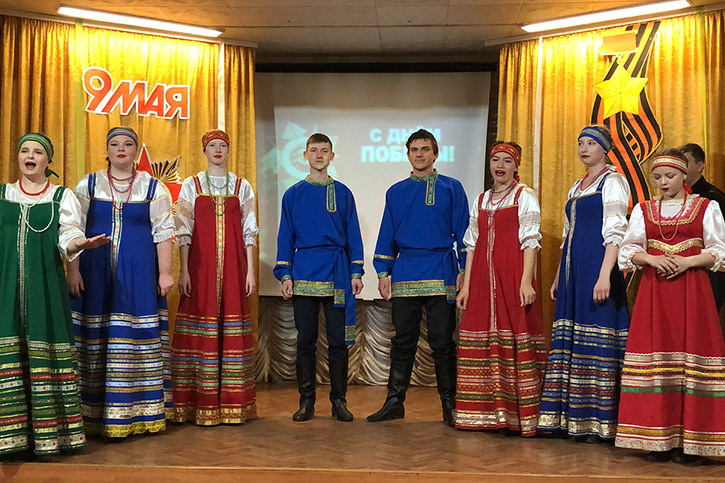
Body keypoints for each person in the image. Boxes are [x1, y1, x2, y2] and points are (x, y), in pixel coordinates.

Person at [0, 133, 109, 455]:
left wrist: (80, 244)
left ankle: (49, 436)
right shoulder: (3, 195)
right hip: (5, 287)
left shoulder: (61, 197)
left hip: (45, 287)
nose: (29, 156)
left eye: (37, 152)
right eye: (24, 151)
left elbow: (69, 236)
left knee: (44, 349)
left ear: (47, 160)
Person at [615, 150, 725, 463]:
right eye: (658, 177)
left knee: (691, 356)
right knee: (657, 358)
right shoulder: (644, 209)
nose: (664, 182)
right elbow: (629, 250)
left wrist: (688, 261)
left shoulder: (706, 207)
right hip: (656, 292)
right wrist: (651, 259)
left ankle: (694, 442)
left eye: (670, 176)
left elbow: (719, 250)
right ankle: (658, 438)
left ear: (684, 175)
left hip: (692, 290)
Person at [68, 127, 175, 438]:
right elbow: (73, 229)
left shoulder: (153, 187)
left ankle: (140, 412)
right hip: (95, 273)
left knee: (135, 336)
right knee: (95, 338)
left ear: (136, 151)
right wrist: (73, 271)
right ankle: (91, 413)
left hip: (139, 274)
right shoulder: (89, 184)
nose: (121, 148)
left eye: (128, 144)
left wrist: (165, 272)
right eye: (114, 144)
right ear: (107, 150)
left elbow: (164, 232)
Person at [368, 129, 468, 426]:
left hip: (441, 270)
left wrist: (464, 270)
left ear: (435, 154)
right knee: (402, 342)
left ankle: (449, 405)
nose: (420, 154)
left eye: (425, 149)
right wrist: (383, 271)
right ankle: (394, 403)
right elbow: (387, 231)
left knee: (442, 343)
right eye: (414, 149)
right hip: (405, 272)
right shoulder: (395, 191)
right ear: (408, 154)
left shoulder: (452, 187)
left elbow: (464, 232)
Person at [538, 125, 631, 442]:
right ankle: (571, 420)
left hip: (597, 267)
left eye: (591, 143)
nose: (584, 148)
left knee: (597, 336)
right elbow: (568, 237)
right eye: (580, 143)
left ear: (605, 149)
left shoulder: (613, 181)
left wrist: (605, 275)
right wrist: (557, 276)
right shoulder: (576, 187)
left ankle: (600, 423)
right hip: (573, 272)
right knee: (573, 338)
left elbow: (616, 232)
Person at [454, 142, 547, 436]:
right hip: (482, 279)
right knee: (481, 336)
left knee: (516, 334)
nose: (500, 165)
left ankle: (519, 416)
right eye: (496, 159)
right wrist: (467, 285)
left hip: (512, 276)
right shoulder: (481, 199)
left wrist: (526, 280)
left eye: (507, 160)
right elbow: (472, 245)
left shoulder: (524, 196)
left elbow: (530, 241)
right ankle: (484, 415)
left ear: (516, 166)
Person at [274, 133, 364, 422]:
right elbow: (285, 237)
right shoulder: (293, 194)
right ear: (305, 155)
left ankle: (339, 401)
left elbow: (353, 235)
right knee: (306, 342)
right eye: (314, 150)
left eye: (325, 150)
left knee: (338, 343)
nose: (319, 155)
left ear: (332, 156)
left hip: (336, 273)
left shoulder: (343, 193)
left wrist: (356, 271)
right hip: (303, 273)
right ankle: (306, 402)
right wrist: (285, 274)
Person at [171, 129, 257, 425]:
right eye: (213, 145)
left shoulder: (241, 186)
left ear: (229, 150)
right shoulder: (191, 185)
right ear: (204, 151)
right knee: (201, 326)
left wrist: (250, 271)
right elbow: (183, 230)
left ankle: (233, 402)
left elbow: (249, 231)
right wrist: (184, 269)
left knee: (231, 326)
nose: (218, 150)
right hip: (200, 268)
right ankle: (197, 402)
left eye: (223, 145)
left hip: (234, 268)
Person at [679, 143, 725, 312]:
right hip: (683, 272)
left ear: (700, 166)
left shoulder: (712, 199)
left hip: (709, 273)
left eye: (686, 162)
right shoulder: (676, 198)